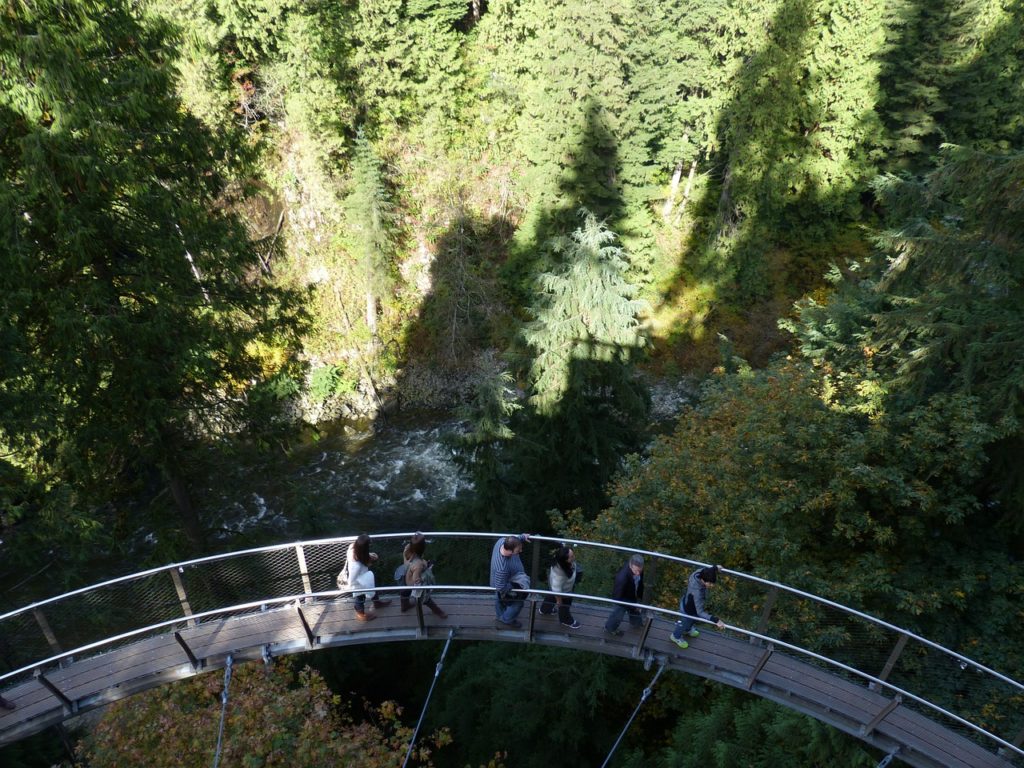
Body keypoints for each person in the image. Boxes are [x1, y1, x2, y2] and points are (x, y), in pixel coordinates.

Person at [338, 534, 392, 621]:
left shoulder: (352, 547)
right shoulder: (356, 565)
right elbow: (352, 579)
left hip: (364, 578)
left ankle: (376, 603)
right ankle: (360, 613)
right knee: (360, 597)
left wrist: (370, 555)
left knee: (372, 587)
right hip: (358, 582)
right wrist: (351, 587)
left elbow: (360, 553)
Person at [671, 564, 725, 649]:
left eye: (712, 583)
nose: (712, 585)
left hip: (690, 603)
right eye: (710, 583)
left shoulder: (697, 574)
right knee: (684, 624)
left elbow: (705, 570)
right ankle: (675, 636)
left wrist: (715, 568)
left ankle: (688, 630)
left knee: (692, 621)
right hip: (688, 610)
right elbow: (700, 612)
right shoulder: (697, 592)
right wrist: (715, 620)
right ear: (703, 580)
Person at [400, 532, 447, 619]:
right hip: (411, 584)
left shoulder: (408, 551)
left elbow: (406, 564)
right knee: (426, 598)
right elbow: (416, 579)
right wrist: (422, 576)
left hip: (406, 578)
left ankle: (404, 607)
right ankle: (437, 610)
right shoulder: (418, 564)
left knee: (404, 593)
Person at [490, 533, 531, 628]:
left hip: (499, 579)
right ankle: (507, 620)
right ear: (509, 551)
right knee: (518, 603)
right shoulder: (502, 567)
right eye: (518, 550)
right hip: (504, 582)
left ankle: (500, 616)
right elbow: (500, 587)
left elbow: (513, 540)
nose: (521, 551)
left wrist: (522, 537)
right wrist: (514, 586)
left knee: (498, 598)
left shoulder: (501, 541)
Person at [539, 545, 580, 629]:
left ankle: (545, 609)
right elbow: (557, 591)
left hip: (556, 587)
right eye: (571, 557)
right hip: (563, 592)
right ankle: (565, 620)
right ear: (564, 560)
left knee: (551, 596)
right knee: (564, 605)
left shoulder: (559, 561)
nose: (574, 557)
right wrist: (559, 602)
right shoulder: (559, 576)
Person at [604, 554, 645, 636]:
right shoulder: (622, 578)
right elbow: (617, 597)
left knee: (634, 610)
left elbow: (639, 583)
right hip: (622, 598)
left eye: (639, 571)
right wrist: (631, 605)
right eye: (636, 571)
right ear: (630, 565)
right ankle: (610, 628)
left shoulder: (638, 568)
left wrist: (638, 598)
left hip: (632, 595)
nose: (638, 573)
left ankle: (637, 624)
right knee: (618, 614)